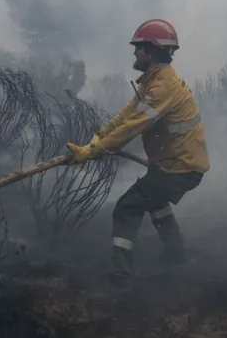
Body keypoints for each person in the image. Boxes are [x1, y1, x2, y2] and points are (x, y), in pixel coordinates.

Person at [65, 19, 210, 283]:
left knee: (126, 208)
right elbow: (127, 114)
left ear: (151, 50)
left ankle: (120, 273)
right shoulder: (153, 82)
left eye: (138, 47)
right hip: (175, 164)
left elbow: (133, 126)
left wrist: (94, 151)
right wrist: (98, 136)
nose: (134, 52)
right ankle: (176, 253)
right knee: (154, 201)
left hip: (179, 168)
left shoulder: (162, 87)